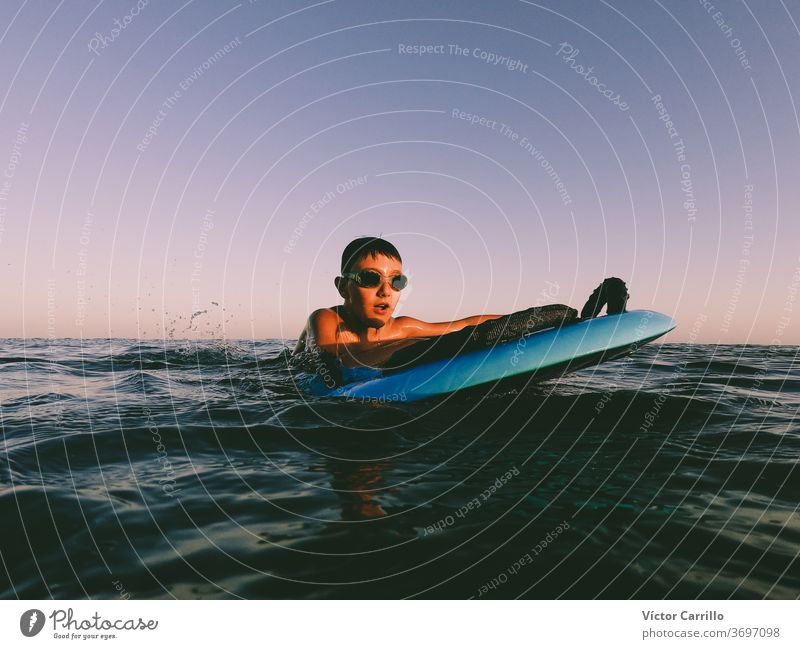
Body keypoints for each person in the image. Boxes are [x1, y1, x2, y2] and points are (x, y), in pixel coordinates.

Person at [292, 236, 628, 369]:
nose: (385, 291)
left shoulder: (402, 327)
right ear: (342, 288)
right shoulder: (326, 320)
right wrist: (418, 347)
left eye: (396, 281)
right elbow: (330, 364)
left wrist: (538, 318)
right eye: (369, 279)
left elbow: (467, 324)